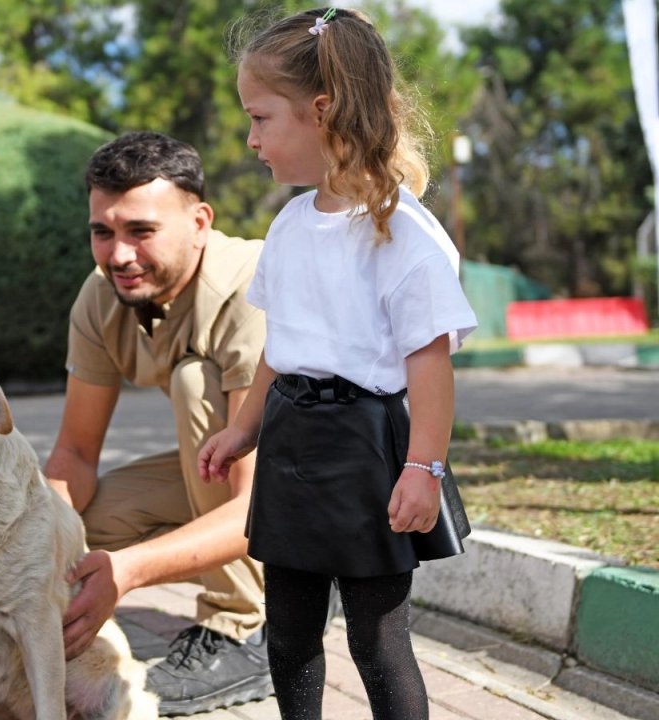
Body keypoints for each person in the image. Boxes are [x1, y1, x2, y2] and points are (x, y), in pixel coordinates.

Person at [199, 8, 478, 720]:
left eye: (261, 119)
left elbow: (430, 366)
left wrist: (425, 467)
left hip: (367, 451)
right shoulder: (289, 226)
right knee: (288, 632)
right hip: (292, 442)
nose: (252, 140)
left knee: (377, 641)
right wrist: (243, 431)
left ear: (320, 111)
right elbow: (280, 346)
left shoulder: (403, 233)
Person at [47, 130, 272, 715]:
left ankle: (244, 628)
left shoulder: (251, 288)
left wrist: (128, 572)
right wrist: (25, 544)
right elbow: (74, 453)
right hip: (237, 476)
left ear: (199, 222)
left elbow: (257, 503)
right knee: (76, 529)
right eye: (103, 232)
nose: (118, 254)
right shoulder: (101, 297)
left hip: (323, 486)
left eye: (141, 231)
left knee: (194, 380)